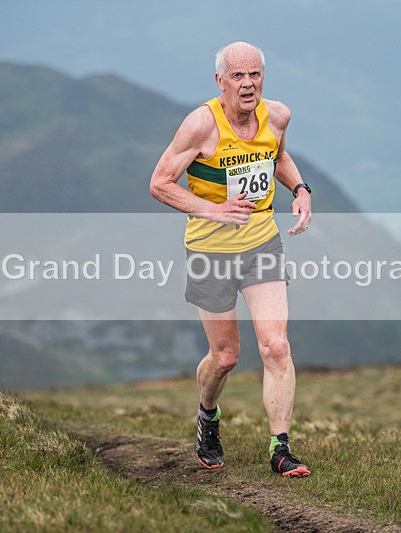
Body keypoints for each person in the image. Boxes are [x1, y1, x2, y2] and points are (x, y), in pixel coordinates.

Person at [150, 42, 313, 477]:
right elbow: (160, 182)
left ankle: (281, 448)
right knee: (225, 357)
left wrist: (300, 190)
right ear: (220, 81)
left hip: (262, 244)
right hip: (210, 251)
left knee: (276, 346)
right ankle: (208, 414)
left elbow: (278, 157)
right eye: (238, 76)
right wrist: (212, 209)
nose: (247, 84)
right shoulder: (201, 125)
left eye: (255, 75)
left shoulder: (277, 116)